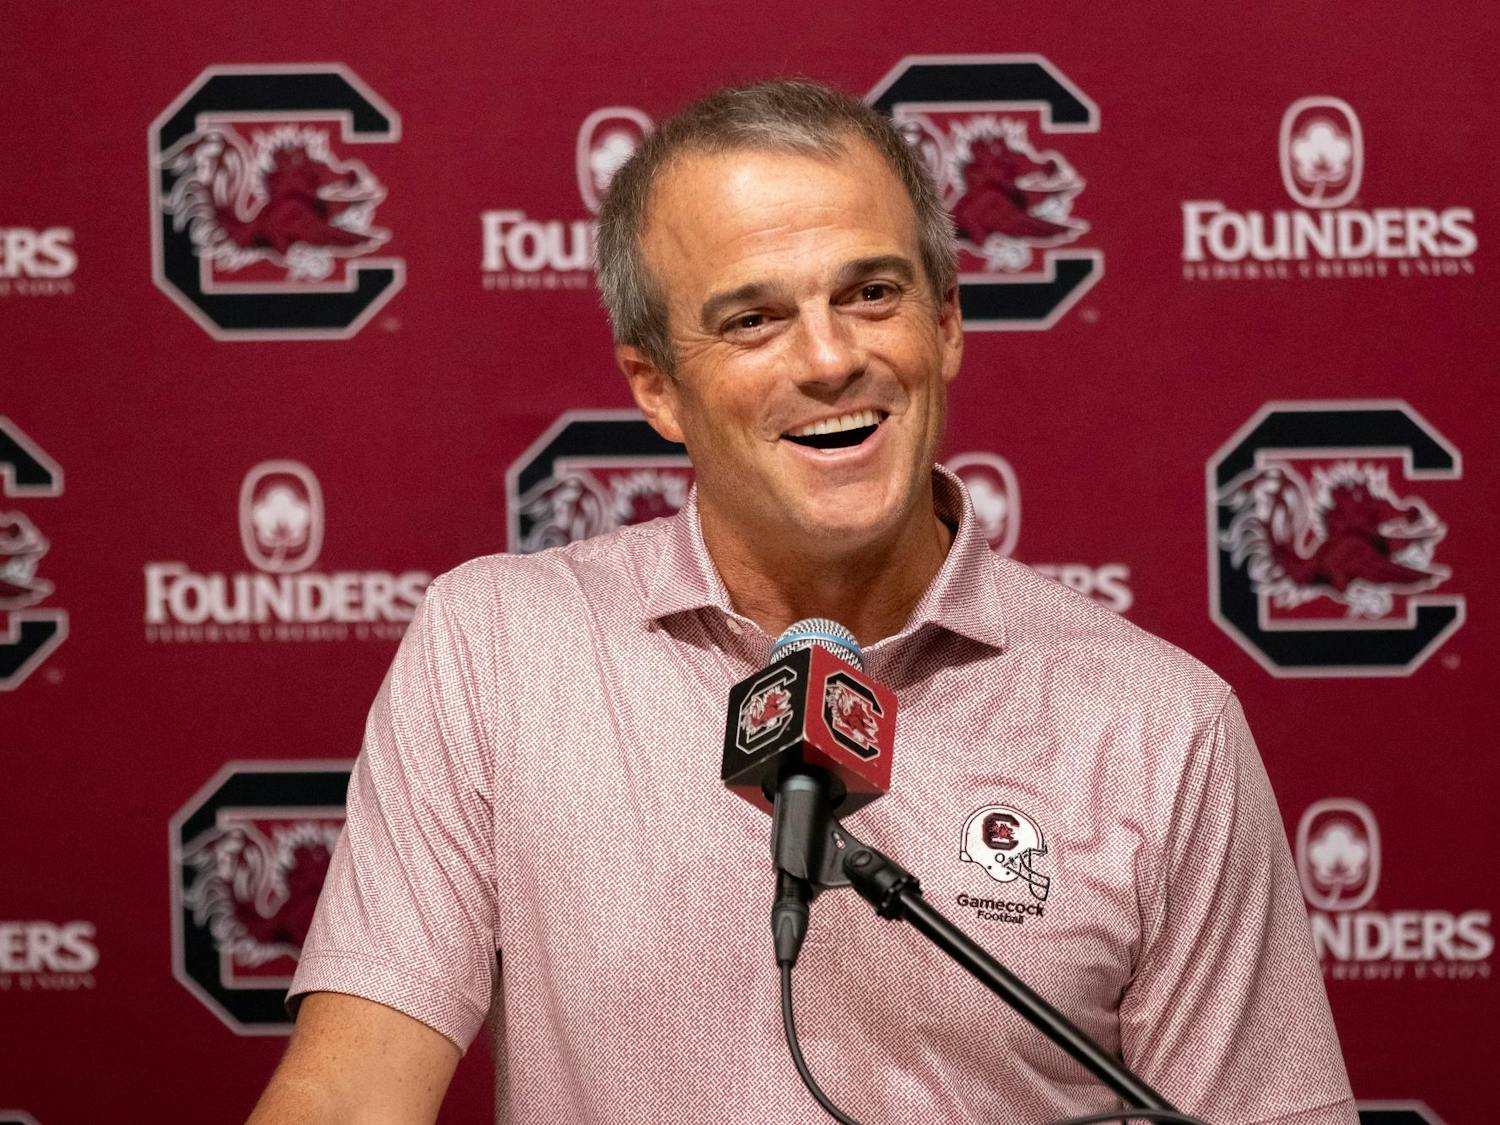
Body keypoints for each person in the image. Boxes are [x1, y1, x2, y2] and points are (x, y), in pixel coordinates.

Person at [248, 79, 1357, 1124]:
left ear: (948, 324)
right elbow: (352, 1097)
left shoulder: (1162, 725)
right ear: (654, 388)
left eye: (871, 294)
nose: (829, 359)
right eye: (753, 320)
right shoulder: (499, 648)